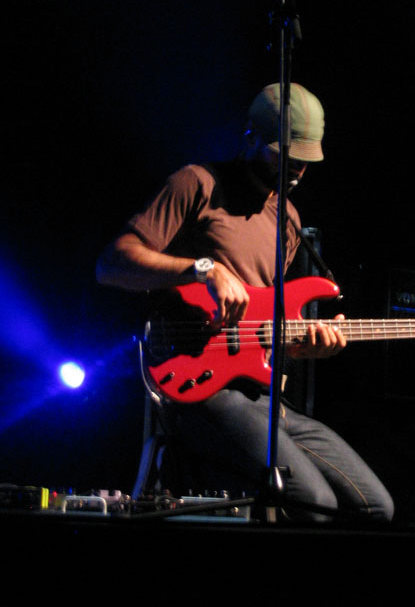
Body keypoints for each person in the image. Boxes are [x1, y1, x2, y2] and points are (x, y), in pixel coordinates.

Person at [96, 82, 394, 522]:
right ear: (250, 136)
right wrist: (204, 268)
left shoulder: (288, 219)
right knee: (315, 503)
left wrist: (302, 346)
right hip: (197, 387)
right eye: (285, 155)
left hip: (260, 395)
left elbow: (263, 320)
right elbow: (111, 264)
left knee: (375, 507)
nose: (297, 169)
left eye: (306, 160)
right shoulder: (197, 184)